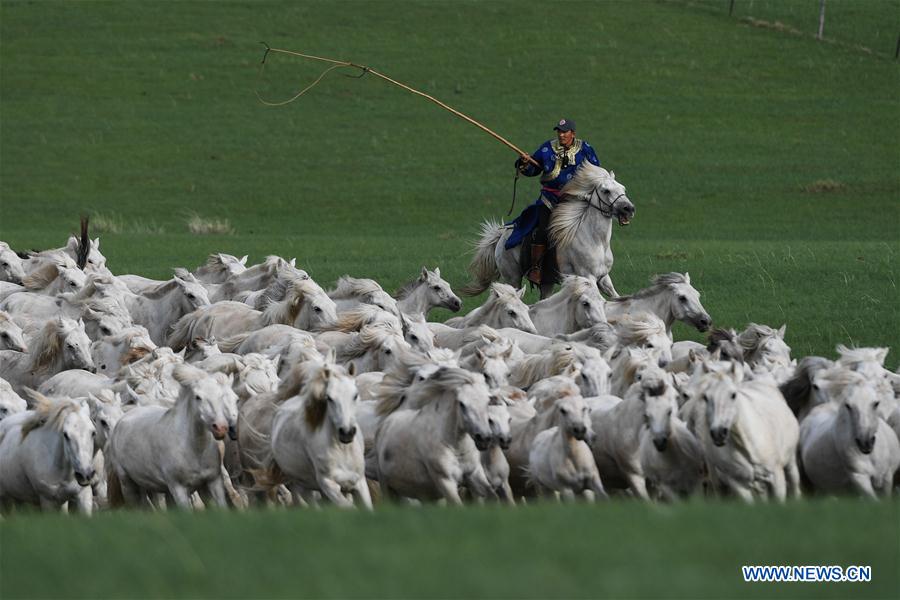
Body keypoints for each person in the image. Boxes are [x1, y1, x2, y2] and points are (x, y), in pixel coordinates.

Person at [515, 118, 601, 285]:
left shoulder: (585, 149)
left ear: (573, 133)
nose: (561, 135)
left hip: (575, 201)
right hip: (550, 199)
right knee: (543, 231)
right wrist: (525, 163)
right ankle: (536, 268)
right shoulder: (547, 148)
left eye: (565, 132)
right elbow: (533, 169)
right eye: (559, 132)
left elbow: (596, 172)